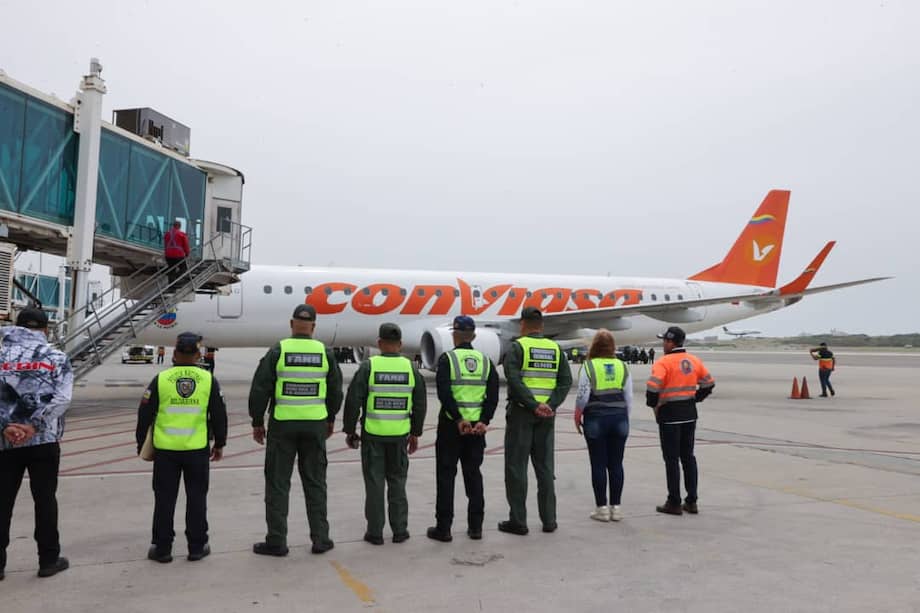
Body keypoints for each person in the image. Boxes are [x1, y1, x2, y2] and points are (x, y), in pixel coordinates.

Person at [248, 304, 343, 556]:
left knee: (278, 484)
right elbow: (335, 390)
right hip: (315, 426)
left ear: (292, 325)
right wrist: (331, 418)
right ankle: (320, 539)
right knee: (315, 483)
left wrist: (257, 421)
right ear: (313, 326)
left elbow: (260, 388)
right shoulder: (325, 353)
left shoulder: (278, 350)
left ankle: (277, 541)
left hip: (283, 425)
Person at [136, 332, 227, 563]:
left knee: (165, 499)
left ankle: (162, 548)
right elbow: (219, 414)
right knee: (197, 497)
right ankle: (197, 546)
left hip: (166, 450)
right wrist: (220, 442)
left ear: (175, 354)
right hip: (196, 449)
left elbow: (145, 413)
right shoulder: (208, 379)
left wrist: (141, 444)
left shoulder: (161, 379)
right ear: (198, 355)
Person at [0, 307, 72, 579]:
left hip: (5, 442)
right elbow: (62, 400)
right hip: (44, 440)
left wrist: (6, 426)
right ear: (44, 329)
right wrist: (34, 426)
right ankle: (48, 560)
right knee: (44, 500)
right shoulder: (56, 356)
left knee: (2, 502)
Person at [343, 323, 426, 545]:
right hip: (400, 436)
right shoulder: (411, 369)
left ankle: (375, 532)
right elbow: (419, 404)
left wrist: (350, 430)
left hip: (373, 436)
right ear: (400, 344)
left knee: (374, 484)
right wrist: (416, 432)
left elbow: (353, 401)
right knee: (398, 483)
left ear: (379, 343)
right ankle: (400, 530)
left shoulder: (368, 367)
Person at [499, 307, 573, 535]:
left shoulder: (518, 347)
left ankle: (518, 521)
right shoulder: (555, 349)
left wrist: (533, 404)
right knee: (545, 468)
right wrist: (549, 405)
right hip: (547, 417)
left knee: (516, 467)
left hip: (523, 414)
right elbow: (565, 381)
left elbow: (513, 378)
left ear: (522, 324)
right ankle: (549, 520)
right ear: (541, 326)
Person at [427, 316, 499, 543]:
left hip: (452, 428)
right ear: (474, 336)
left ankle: (444, 528)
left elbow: (444, 394)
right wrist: (483, 421)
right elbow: (493, 396)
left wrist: (459, 419)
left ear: (454, 334)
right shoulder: (486, 362)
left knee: (446, 478)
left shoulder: (447, 360)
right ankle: (476, 527)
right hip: (476, 430)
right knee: (473, 477)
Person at [646, 326, 714, 515]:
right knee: (688, 458)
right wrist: (695, 398)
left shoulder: (663, 362)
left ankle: (674, 501)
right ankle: (691, 501)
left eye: (664, 341)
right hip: (689, 414)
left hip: (669, 416)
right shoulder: (694, 360)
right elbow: (709, 383)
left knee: (671, 459)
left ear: (670, 342)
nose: (663, 344)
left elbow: (653, 387)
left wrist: (654, 405)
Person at [573, 329, 631, 522]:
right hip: (619, 418)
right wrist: (625, 418)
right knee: (616, 465)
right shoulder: (623, 366)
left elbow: (582, 396)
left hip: (596, 418)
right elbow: (628, 397)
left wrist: (577, 415)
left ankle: (602, 509)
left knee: (598, 464)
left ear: (594, 346)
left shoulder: (588, 367)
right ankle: (616, 508)